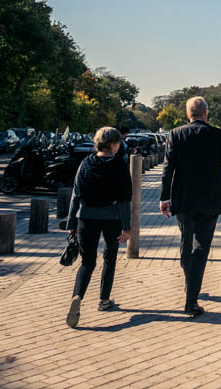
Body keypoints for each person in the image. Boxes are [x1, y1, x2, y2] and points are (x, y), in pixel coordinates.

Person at [160, 96, 221, 317]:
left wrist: (164, 198)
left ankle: (190, 284)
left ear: (188, 114)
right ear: (206, 113)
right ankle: (191, 299)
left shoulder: (176, 134)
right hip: (210, 199)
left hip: (183, 199)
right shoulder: (218, 135)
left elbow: (168, 168)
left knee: (186, 241)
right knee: (201, 247)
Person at [65, 126, 132, 328]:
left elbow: (76, 194)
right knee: (109, 258)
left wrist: (71, 223)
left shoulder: (86, 163)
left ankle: (77, 296)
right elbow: (124, 199)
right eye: (118, 142)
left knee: (87, 262)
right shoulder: (120, 165)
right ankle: (104, 300)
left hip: (86, 218)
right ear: (113, 144)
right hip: (112, 218)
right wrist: (127, 227)